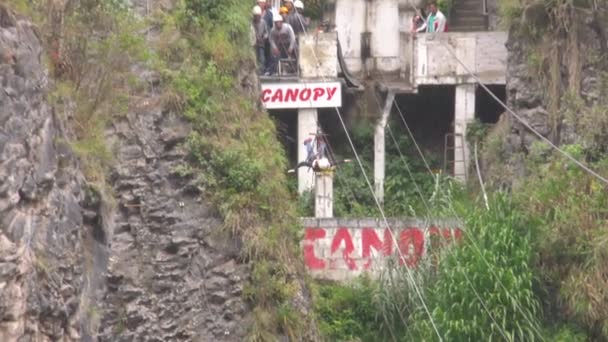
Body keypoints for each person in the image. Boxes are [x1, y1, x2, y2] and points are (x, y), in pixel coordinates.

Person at [251, 5, 268, 73]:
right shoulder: (251, 23)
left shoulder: (263, 22)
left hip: (261, 44)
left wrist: (263, 38)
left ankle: (262, 70)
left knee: (262, 58)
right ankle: (255, 70)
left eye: (258, 15)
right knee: (254, 57)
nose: (257, 17)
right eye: (256, 15)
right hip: (253, 44)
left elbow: (266, 33)